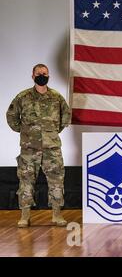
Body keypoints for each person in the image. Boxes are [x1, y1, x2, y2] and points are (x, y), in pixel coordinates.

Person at [6, 63, 71, 228]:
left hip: (52, 148)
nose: (42, 75)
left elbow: (66, 116)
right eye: (39, 73)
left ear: (48, 76)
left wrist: (52, 133)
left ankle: (57, 215)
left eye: (45, 73)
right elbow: (11, 116)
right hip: (29, 149)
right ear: (33, 76)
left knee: (56, 181)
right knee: (26, 181)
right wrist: (25, 132)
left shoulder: (56, 97)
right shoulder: (23, 97)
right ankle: (25, 217)